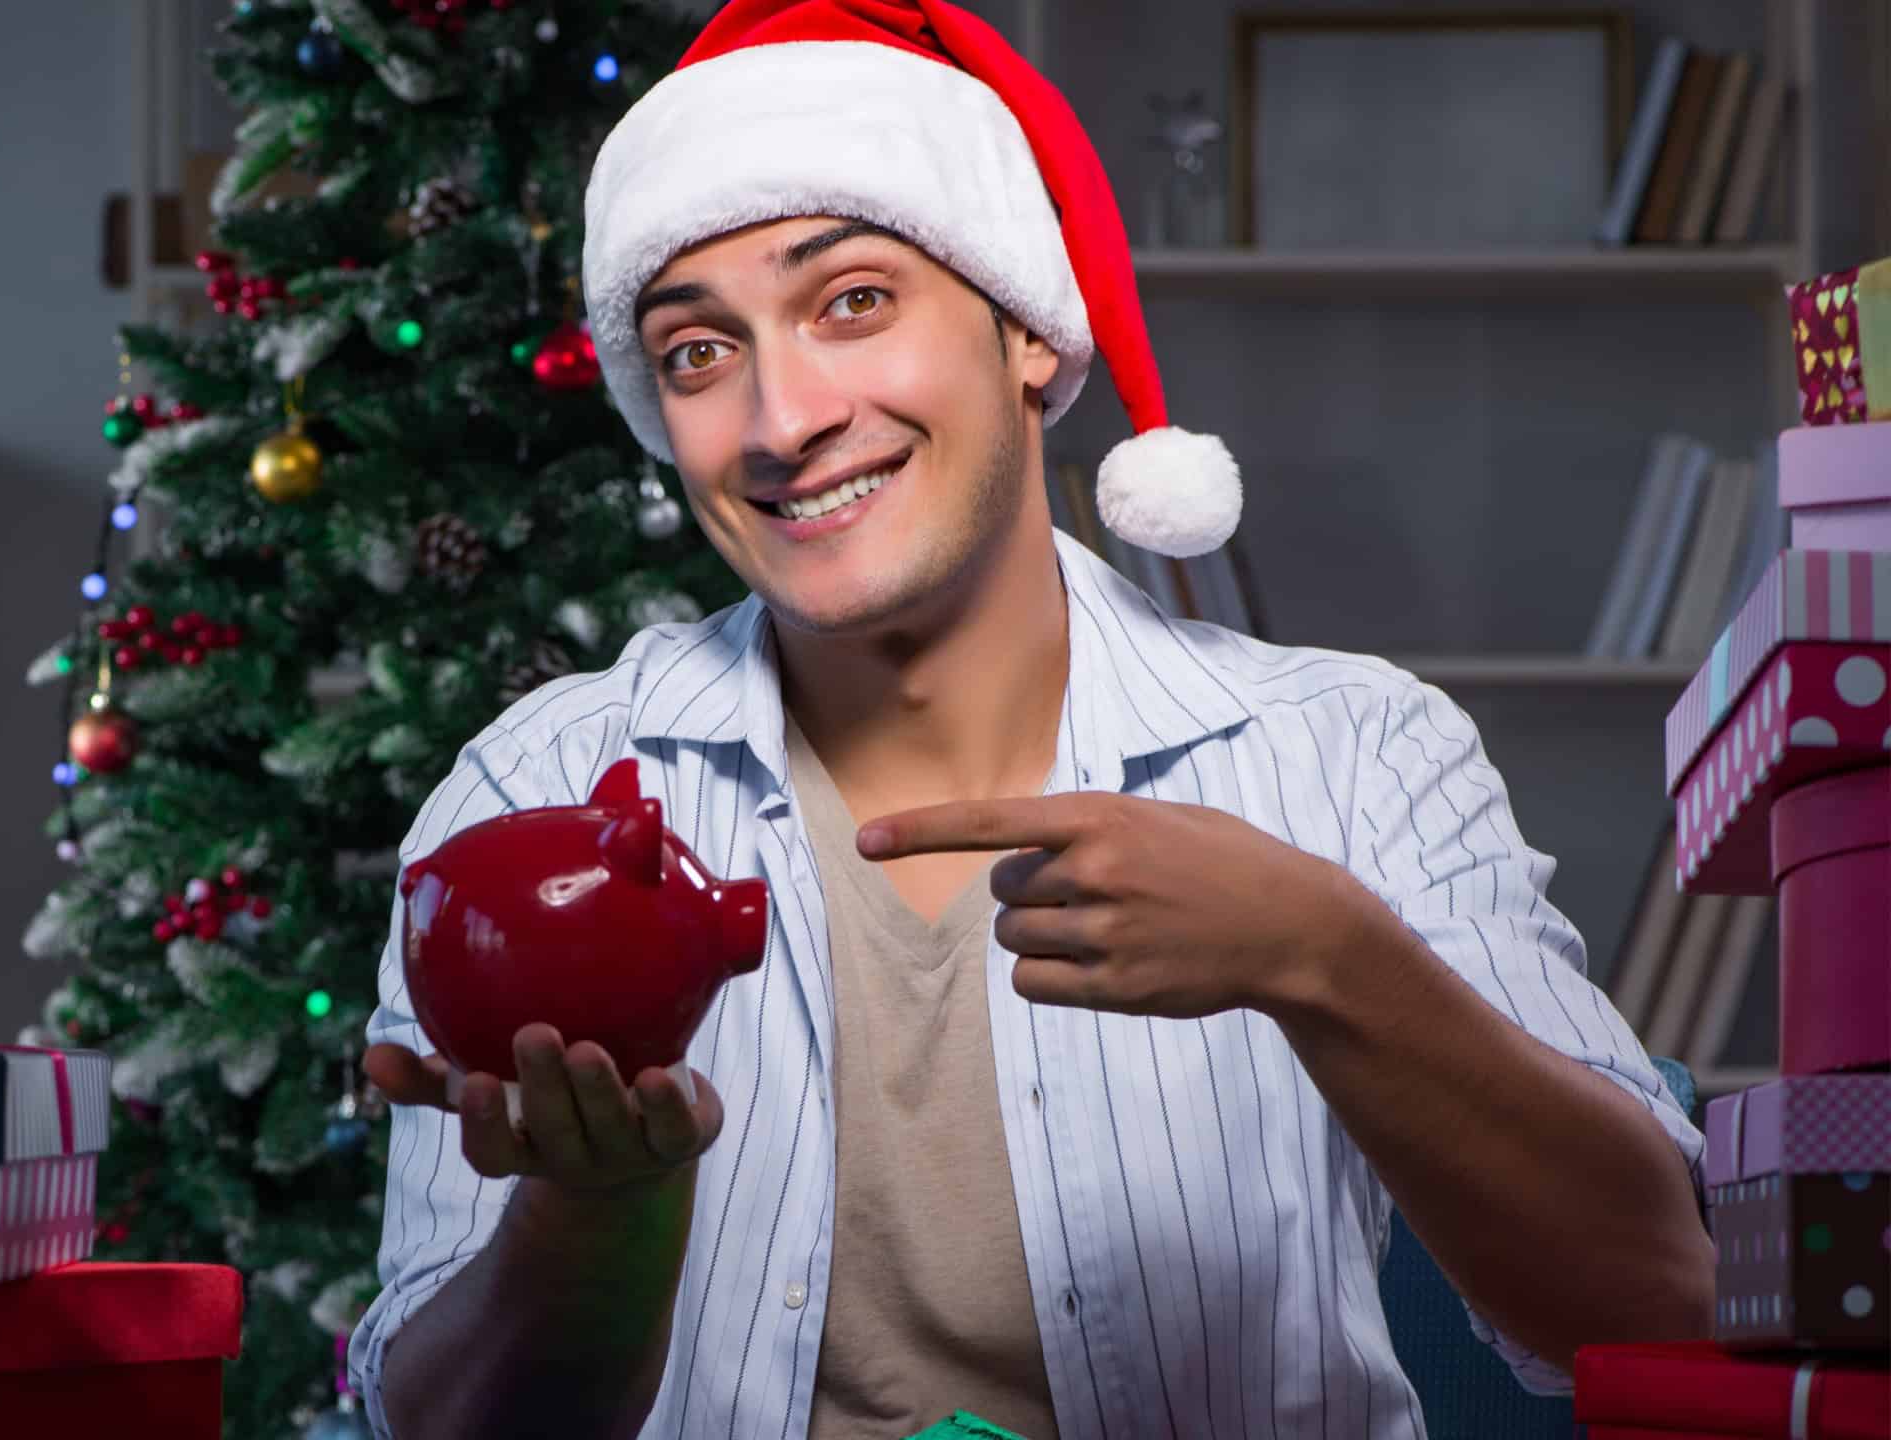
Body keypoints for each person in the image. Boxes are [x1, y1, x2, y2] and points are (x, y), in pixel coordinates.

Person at [348, 0, 1715, 1434]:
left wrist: (1326, 958)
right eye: (697, 353)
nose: (776, 420)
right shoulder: (545, 783)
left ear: (1027, 338)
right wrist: (596, 1214)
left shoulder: (1353, 754)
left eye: (853, 302)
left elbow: (1660, 1306)